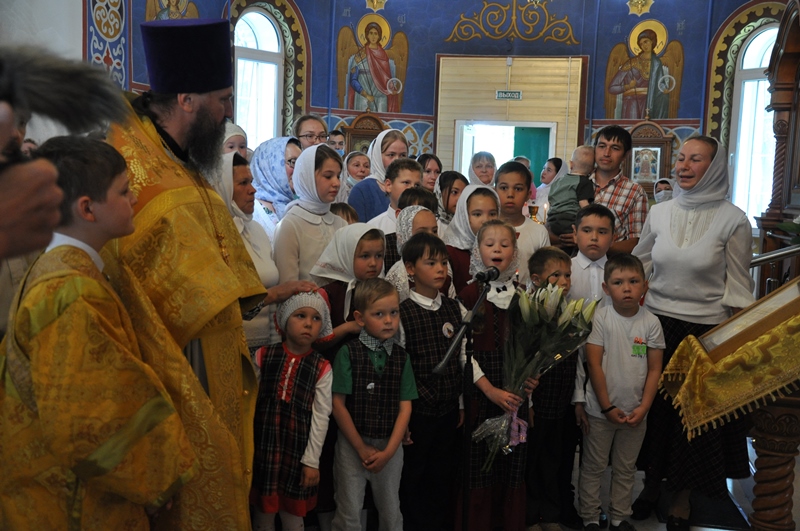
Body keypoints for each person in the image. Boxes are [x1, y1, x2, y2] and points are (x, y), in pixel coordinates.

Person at [105, 19, 267, 529]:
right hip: (174, 365)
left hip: (214, 352)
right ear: (187, 99)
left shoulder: (183, 159)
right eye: (223, 99)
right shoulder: (128, 163)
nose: (228, 112)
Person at [0, 136, 195, 528]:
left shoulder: (63, 269)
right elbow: (90, 419)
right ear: (87, 208)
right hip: (73, 503)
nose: (135, 198)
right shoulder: (70, 291)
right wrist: (153, 481)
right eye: (123, 191)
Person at [631, 136, 755, 530]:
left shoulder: (734, 220)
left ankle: (682, 497)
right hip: (656, 325)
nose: (683, 166)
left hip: (705, 331)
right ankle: (651, 485)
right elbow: (639, 265)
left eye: (695, 159)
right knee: (655, 411)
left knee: (692, 419)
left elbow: (739, 286)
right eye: (681, 158)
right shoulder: (659, 212)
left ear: (714, 167)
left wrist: (736, 342)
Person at [457, 220, 536, 531]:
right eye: (489, 244)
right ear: (478, 251)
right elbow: (464, 352)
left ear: (514, 252)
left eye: (505, 244)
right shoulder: (469, 294)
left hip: (516, 396)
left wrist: (531, 379)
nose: (497, 249)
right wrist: (489, 390)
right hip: (482, 393)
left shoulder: (524, 296)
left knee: (511, 463)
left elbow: (532, 347)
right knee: (480, 467)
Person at [578, 254, 665, 531]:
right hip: (600, 412)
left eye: (634, 281)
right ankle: (590, 516)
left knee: (626, 469)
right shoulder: (601, 318)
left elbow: (655, 369)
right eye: (618, 282)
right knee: (593, 467)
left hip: (635, 412)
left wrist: (644, 408)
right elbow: (594, 364)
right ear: (606, 288)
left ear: (645, 286)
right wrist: (606, 407)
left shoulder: (651, 323)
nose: (626, 288)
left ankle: (619, 517)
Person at [331, 278, 418, 531]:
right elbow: (338, 405)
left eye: (394, 312)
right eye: (379, 314)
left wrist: (389, 452)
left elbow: (405, 408)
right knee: (348, 512)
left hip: (389, 445)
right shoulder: (348, 353)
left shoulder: (402, 358)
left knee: (391, 512)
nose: (389, 320)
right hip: (351, 445)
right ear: (360, 318)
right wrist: (360, 447)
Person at [213, 152, 318, 354]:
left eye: (251, 182)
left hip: (264, 346)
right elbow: (222, 304)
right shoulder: (213, 236)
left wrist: (273, 348)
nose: (252, 190)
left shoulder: (256, 230)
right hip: (231, 347)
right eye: (243, 183)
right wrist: (276, 293)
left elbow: (271, 306)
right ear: (223, 188)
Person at [251, 291, 335, 531]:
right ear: (284, 320)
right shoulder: (263, 355)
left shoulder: (322, 367)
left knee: (293, 517)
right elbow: (248, 404)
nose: (309, 323)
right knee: (263, 515)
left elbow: (321, 417)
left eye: (316, 318)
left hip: (297, 454)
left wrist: (311, 462)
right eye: (301, 315)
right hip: (263, 450)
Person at [398, 232, 465, 531]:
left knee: (443, 473)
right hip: (418, 412)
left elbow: (461, 360)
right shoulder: (403, 312)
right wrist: (402, 418)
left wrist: (460, 403)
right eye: (431, 263)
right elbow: (399, 369)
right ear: (410, 269)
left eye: (444, 262)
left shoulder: (454, 308)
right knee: (415, 475)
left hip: (448, 409)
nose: (441, 269)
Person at [525, 246, 576, 531]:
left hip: (561, 399)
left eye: (567, 275)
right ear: (536, 279)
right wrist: (529, 403)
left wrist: (577, 400)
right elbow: (525, 362)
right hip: (538, 400)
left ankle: (552, 513)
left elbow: (576, 359)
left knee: (554, 460)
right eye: (556, 275)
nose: (564, 281)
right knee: (532, 459)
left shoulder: (570, 310)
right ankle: (531, 515)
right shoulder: (530, 312)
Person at [274, 144, 348, 283]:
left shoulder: (341, 223)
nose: (336, 183)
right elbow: (287, 284)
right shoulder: (290, 225)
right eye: (328, 176)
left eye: (338, 176)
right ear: (307, 177)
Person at [580, 126, 648, 255]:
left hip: (610, 264)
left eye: (615, 148)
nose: (606, 153)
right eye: (602, 146)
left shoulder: (634, 192)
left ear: (625, 155)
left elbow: (637, 241)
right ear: (594, 149)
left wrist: (597, 246)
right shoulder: (577, 182)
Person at [494, 160, 550, 283]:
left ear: (528, 194)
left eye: (518, 189)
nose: (510, 194)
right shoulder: (486, 229)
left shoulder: (539, 232)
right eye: (504, 188)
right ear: (495, 191)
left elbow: (545, 273)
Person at [443, 184, 499, 293]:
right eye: (477, 214)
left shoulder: (501, 248)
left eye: (492, 214)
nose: (486, 220)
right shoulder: (450, 253)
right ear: (464, 216)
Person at [348, 129, 408, 222]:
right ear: (378, 156)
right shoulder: (362, 190)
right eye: (391, 155)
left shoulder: (412, 187)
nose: (397, 160)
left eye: (403, 155)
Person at [608, 29, 669, 120]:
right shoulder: (631, 63)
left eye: (646, 42)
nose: (644, 45)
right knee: (633, 127)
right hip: (632, 103)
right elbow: (612, 88)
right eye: (641, 44)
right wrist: (628, 86)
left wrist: (664, 89)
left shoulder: (656, 63)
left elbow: (660, 83)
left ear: (652, 41)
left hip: (649, 103)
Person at [251, 136, 303, 241]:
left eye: (301, 164)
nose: (299, 170)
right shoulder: (251, 211)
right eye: (293, 162)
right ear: (269, 165)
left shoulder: (299, 206)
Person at [546, 146, 596, 244]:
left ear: (571, 164)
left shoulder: (559, 181)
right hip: (570, 220)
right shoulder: (584, 182)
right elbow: (583, 204)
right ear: (592, 170)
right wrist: (593, 217)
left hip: (552, 220)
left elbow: (551, 199)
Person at [346, 22, 399, 113]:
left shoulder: (383, 56)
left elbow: (386, 78)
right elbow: (353, 80)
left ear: (379, 36)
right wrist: (365, 94)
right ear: (367, 35)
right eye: (371, 33)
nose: (373, 36)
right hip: (363, 98)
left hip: (381, 98)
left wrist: (391, 89)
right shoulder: (360, 55)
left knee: (382, 121)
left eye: (376, 33)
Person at [368, 157, 422, 234]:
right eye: (406, 183)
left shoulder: (431, 224)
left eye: (417, 185)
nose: (412, 188)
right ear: (389, 185)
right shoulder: (374, 228)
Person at [435, 170, 469, 237]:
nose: (460, 198)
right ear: (440, 193)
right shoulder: (432, 223)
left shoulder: (468, 224)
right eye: (454, 192)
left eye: (464, 193)